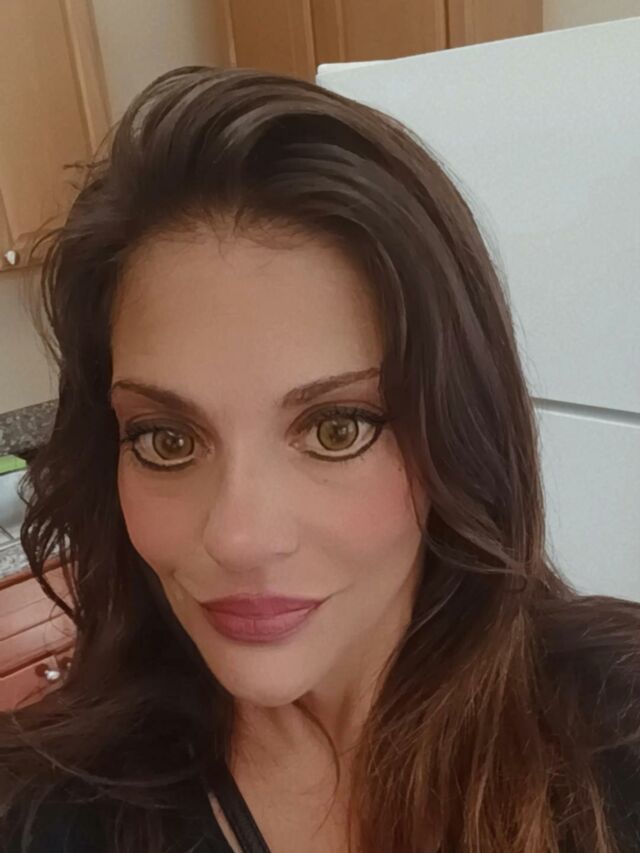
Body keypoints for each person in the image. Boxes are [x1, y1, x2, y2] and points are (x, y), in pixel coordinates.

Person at [1, 65, 638, 853]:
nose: (239, 537)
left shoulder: (618, 731)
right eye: (167, 439)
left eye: (338, 428)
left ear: (458, 435)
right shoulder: (44, 813)